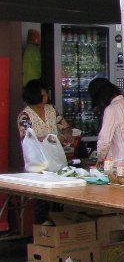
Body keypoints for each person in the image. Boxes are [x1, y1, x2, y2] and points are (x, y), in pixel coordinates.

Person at [18, 79, 71, 224]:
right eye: (42, 96)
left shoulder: (51, 110)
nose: (45, 98)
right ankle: (41, 227)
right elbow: (27, 139)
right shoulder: (25, 116)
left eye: (45, 95)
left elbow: (65, 126)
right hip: (38, 162)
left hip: (56, 158)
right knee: (42, 198)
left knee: (60, 194)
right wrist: (51, 138)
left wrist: (67, 134)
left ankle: (60, 222)